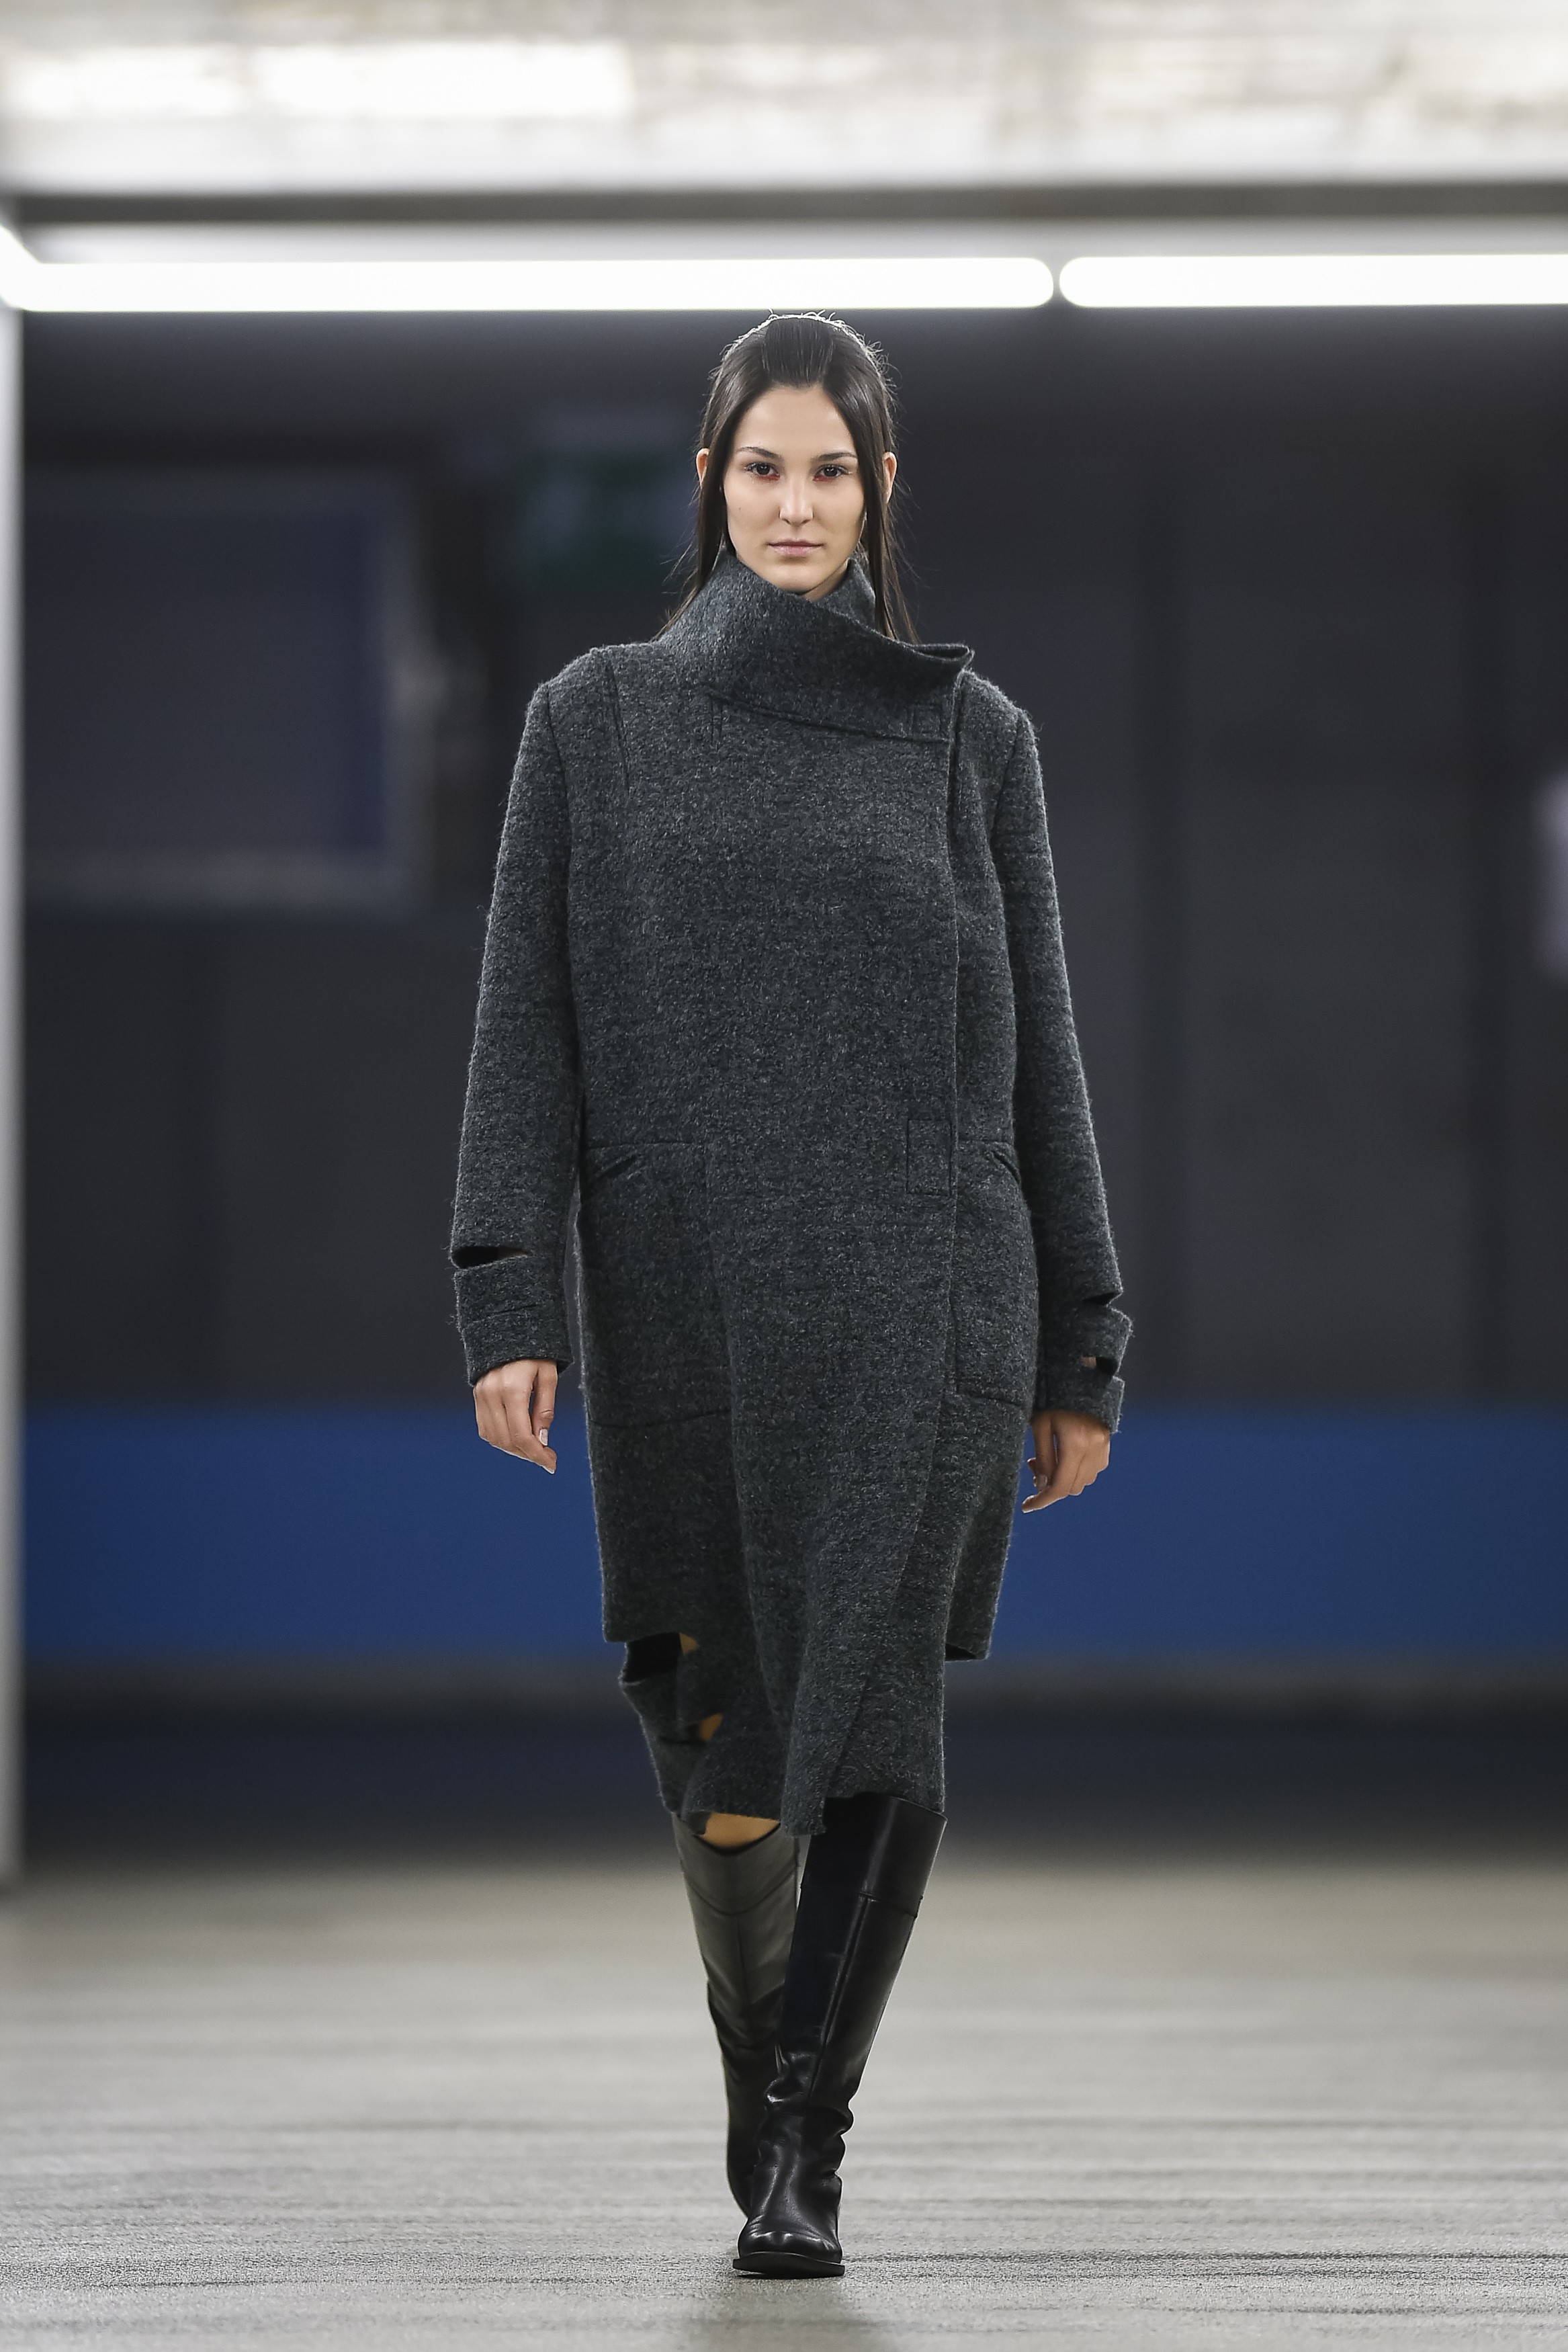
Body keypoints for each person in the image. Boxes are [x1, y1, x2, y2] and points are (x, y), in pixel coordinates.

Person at [451, 312, 1129, 2278]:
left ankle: (809, 2139)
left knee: (880, 1710)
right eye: (765, 467)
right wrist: (509, 1292)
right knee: (725, 1730)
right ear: (711, 483)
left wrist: (1082, 1335)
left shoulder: (975, 744)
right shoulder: (595, 724)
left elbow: (1042, 1055)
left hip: (926, 1283)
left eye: (833, 471)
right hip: (689, 1297)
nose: (798, 504)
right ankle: (768, 2084)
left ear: (882, 490)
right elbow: (526, 1029)